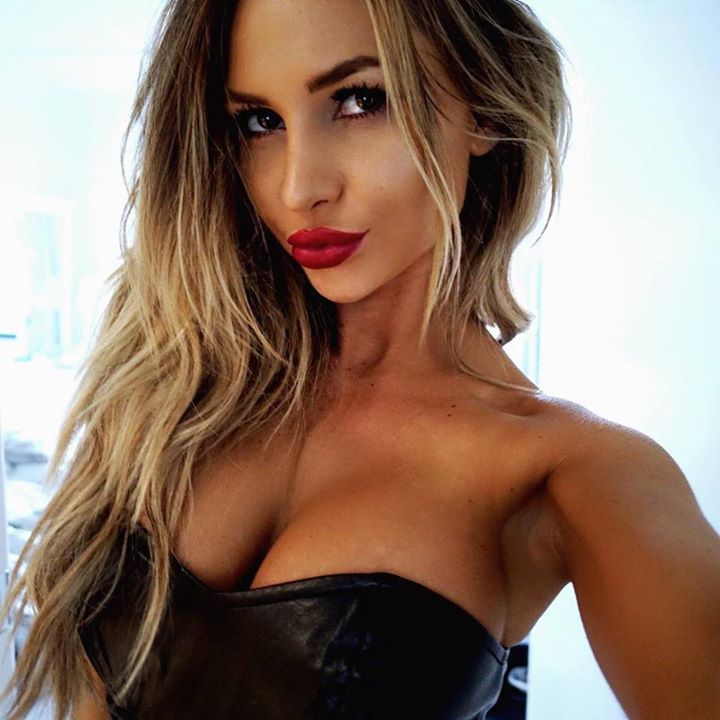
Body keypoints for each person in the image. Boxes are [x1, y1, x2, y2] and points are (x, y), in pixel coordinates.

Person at [2, 0, 719, 718]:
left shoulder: (570, 472)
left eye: (359, 100)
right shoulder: (178, 387)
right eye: (260, 121)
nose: (299, 188)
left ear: (483, 109)